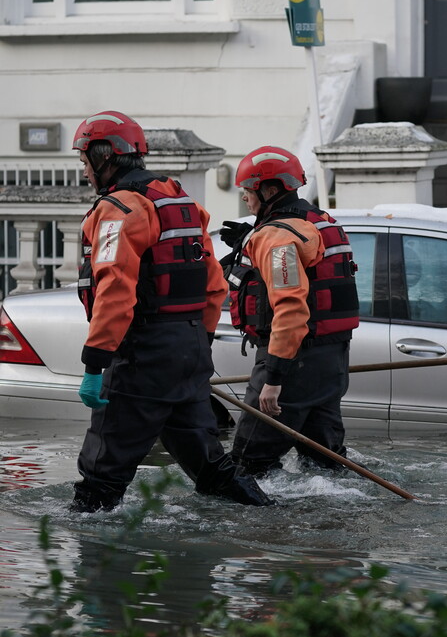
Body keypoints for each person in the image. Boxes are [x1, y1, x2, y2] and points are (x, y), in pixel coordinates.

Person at [70, 110, 274, 512]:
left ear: (103, 155)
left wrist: (94, 364)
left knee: (100, 479)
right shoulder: (180, 202)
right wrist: (199, 340)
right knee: (212, 468)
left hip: (142, 355)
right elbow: (214, 283)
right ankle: (270, 517)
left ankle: (88, 569)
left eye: (84, 161)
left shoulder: (119, 210)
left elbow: (114, 290)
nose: (84, 172)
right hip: (188, 348)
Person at [220, 146, 359, 477]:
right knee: (326, 466)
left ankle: (259, 530)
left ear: (269, 190)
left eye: (248, 191)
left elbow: (291, 309)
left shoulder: (279, 236)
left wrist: (274, 378)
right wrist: (251, 239)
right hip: (331, 362)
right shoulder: (321, 221)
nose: (244, 198)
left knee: (246, 466)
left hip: (293, 362)